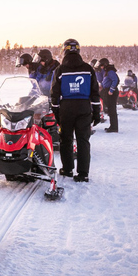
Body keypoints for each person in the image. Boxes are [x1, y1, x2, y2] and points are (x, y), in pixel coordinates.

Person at [51, 38, 101, 183]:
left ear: (64, 51)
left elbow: (54, 94)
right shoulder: (88, 69)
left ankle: (67, 170)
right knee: (83, 141)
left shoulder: (60, 70)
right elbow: (95, 93)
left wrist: (56, 113)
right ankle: (83, 174)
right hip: (84, 107)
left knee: (65, 140)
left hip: (66, 108)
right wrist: (96, 113)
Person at [99, 58, 120, 132]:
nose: (101, 67)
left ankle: (114, 127)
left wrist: (111, 90)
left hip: (111, 92)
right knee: (110, 110)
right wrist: (101, 85)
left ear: (104, 64)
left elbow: (115, 80)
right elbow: (106, 81)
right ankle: (112, 126)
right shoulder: (106, 71)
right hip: (107, 90)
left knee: (112, 110)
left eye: (101, 65)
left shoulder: (110, 71)